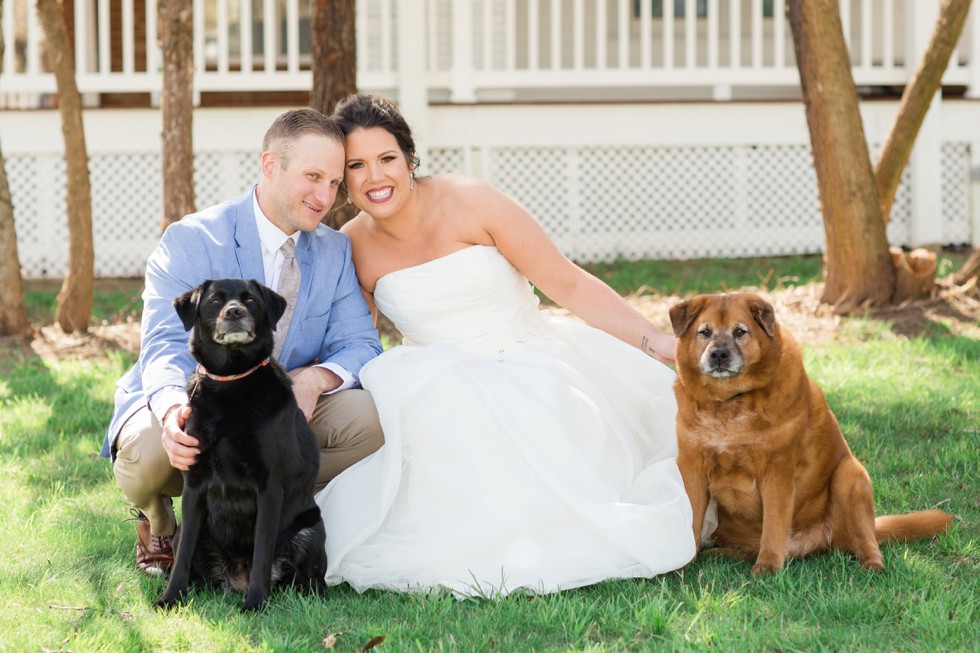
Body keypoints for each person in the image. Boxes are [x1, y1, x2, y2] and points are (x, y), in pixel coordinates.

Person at [315, 94, 697, 597]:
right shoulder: (352, 243)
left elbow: (570, 285)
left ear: (410, 160)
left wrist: (658, 344)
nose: (374, 177)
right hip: (435, 378)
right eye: (357, 165)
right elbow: (356, 341)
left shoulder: (472, 199)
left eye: (386, 159)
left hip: (531, 357)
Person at [102, 109, 384, 576]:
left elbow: (360, 343)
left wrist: (314, 379)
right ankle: (159, 521)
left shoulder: (333, 250)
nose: (325, 197)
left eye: (334, 183)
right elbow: (165, 344)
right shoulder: (194, 239)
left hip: (273, 410)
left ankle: (266, 508)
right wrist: (174, 410)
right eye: (312, 176)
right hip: (203, 401)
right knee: (152, 452)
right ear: (270, 166)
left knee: (369, 422)